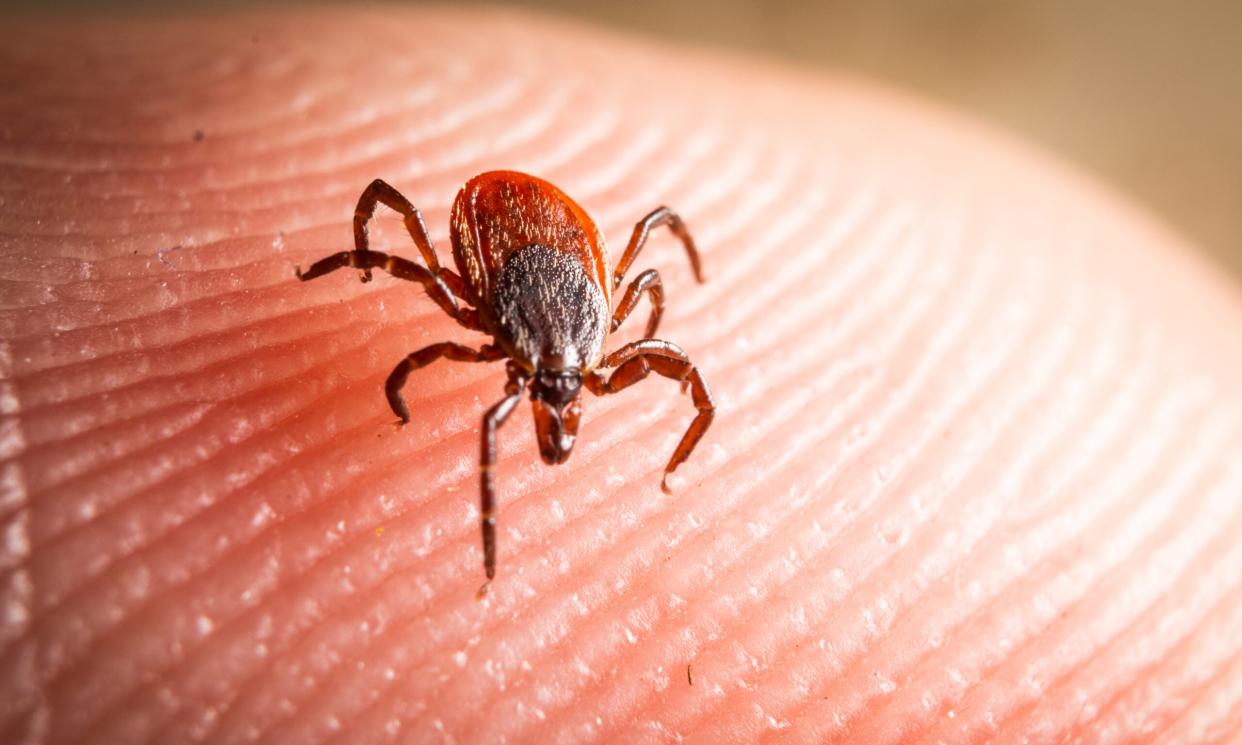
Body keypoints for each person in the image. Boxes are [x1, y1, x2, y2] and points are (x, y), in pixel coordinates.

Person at [6, 7, 1242, 743]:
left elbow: (659, 311)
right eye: (548, 396)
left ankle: (652, 465)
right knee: (420, 265)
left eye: (559, 392)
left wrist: (646, 432)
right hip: (515, 234)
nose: (548, 409)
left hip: (548, 252)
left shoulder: (589, 347)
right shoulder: (492, 342)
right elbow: (457, 309)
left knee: (656, 325)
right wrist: (386, 368)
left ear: (601, 348)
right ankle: (341, 282)